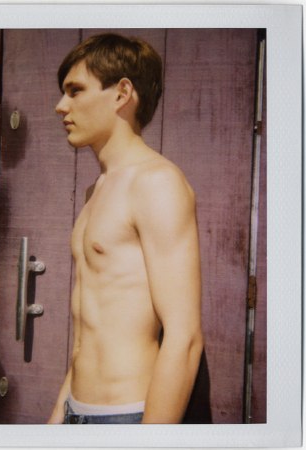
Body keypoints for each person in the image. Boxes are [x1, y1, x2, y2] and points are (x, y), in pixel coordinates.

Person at [48, 33, 203, 425]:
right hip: (76, 411)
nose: (61, 106)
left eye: (75, 90)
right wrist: (58, 417)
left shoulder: (156, 183)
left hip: (125, 418)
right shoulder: (96, 190)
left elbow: (184, 337)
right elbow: (91, 328)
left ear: (121, 93)